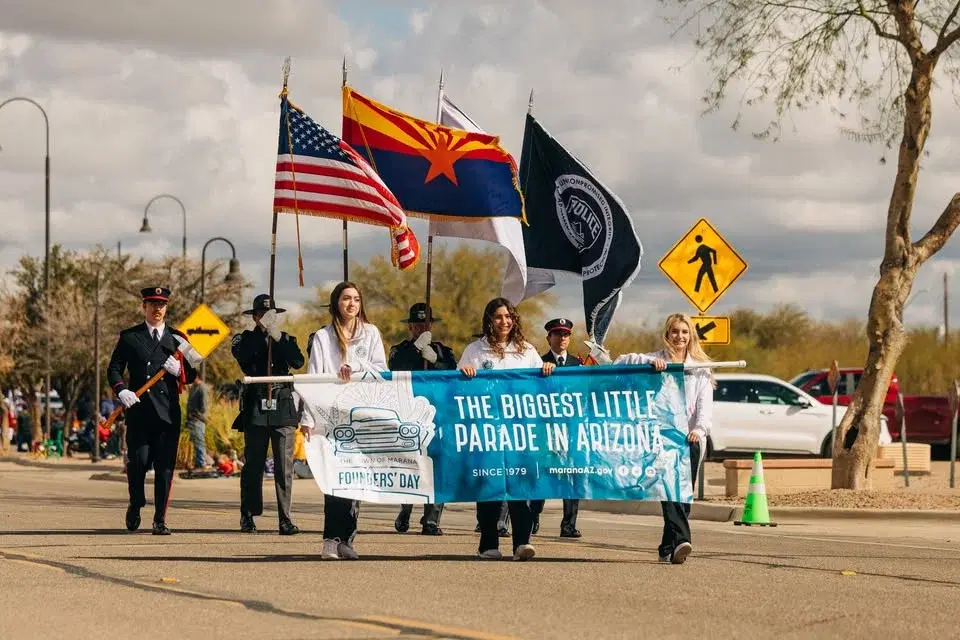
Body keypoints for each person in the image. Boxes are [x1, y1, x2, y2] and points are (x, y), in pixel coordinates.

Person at [458, 297, 555, 561]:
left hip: (519, 430)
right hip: (487, 429)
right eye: (499, 317)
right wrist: (464, 374)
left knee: (520, 485)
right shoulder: (475, 351)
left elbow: (542, 385)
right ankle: (488, 543)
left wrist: (547, 369)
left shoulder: (526, 351)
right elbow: (456, 389)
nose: (504, 322)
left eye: (509, 317)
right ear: (489, 320)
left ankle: (521, 543)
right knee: (489, 484)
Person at [613, 312, 713, 565]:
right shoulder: (654, 359)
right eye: (675, 332)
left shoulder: (700, 369)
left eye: (684, 332)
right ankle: (682, 540)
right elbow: (620, 362)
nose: (679, 336)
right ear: (667, 335)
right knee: (671, 489)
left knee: (684, 497)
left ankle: (667, 546)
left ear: (691, 336)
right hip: (663, 440)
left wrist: (699, 431)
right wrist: (647, 364)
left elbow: (705, 409)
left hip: (689, 440)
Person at [301, 281, 387, 560]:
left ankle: (347, 539)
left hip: (360, 413)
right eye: (346, 299)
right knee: (334, 478)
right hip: (330, 415)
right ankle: (330, 539)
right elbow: (313, 375)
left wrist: (358, 368)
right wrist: (307, 417)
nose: (352, 304)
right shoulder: (323, 338)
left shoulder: (371, 333)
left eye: (356, 299)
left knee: (355, 478)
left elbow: (381, 369)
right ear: (336, 303)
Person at [107, 286, 198, 535]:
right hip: (139, 412)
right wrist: (121, 390)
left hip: (167, 414)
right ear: (144, 307)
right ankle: (136, 503)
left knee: (165, 468)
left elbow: (193, 372)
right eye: (153, 304)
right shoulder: (130, 337)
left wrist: (179, 371)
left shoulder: (178, 339)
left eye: (162, 305)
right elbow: (114, 369)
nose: (157, 309)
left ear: (166, 307)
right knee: (138, 464)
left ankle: (160, 519)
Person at [232, 293, 306, 535]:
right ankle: (248, 515)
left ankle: (285, 518)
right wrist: (263, 334)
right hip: (256, 406)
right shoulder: (244, 339)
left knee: (284, 467)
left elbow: (297, 361)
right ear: (254, 317)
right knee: (254, 465)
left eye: (270, 315)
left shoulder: (286, 339)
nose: (266, 318)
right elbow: (243, 358)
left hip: (282, 404)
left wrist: (277, 337)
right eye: (262, 315)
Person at [390, 302, 458, 536]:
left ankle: (431, 519)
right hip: (409, 413)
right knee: (410, 464)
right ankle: (406, 508)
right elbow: (395, 370)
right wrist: (416, 350)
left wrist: (435, 360)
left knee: (437, 465)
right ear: (410, 326)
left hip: (438, 414)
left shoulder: (443, 350)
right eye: (417, 324)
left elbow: (452, 376)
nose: (421, 328)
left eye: (425, 324)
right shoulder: (399, 350)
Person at [529, 317, 584, 538]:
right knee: (541, 475)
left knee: (572, 475)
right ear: (548, 337)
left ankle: (568, 525)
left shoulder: (577, 364)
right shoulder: (537, 363)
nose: (562, 338)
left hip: (570, 429)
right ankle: (533, 518)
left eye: (566, 335)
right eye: (557, 334)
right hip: (545, 429)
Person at [186, 372, 211, 473]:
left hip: (198, 419)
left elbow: (204, 406)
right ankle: (198, 462)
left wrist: (197, 415)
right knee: (195, 442)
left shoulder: (202, 388)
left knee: (199, 440)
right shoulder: (193, 387)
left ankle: (202, 463)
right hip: (191, 419)